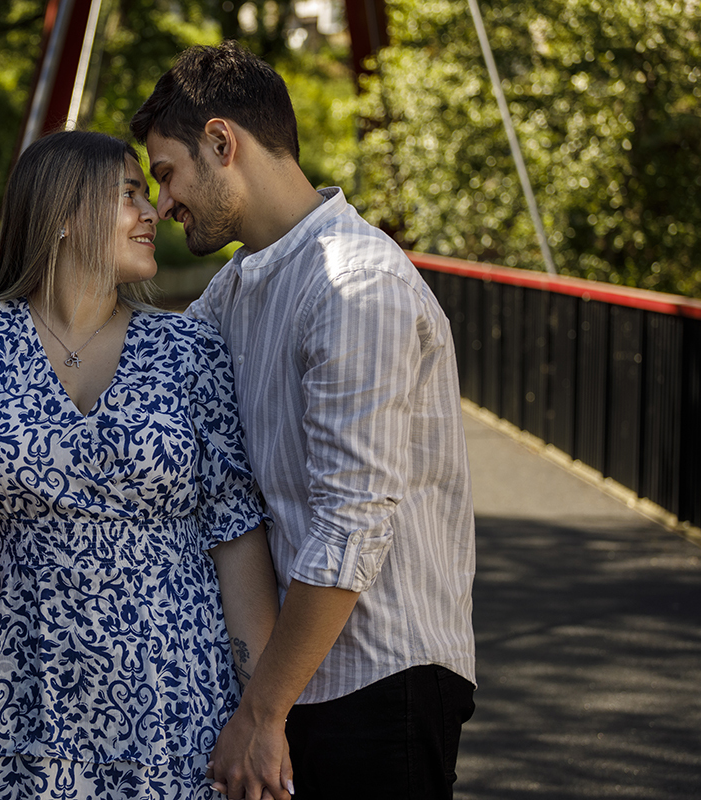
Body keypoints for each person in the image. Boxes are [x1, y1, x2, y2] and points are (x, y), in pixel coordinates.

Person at [0, 129, 282, 799]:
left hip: (171, 706)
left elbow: (237, 539)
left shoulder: (189, 350)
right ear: (66, 215)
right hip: (14, 706)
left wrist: (264, 719)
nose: (152, 211)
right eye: (129, 195)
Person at [130, 41, 477, 800]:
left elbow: (351, 524)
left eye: (166, 175)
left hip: (378, 683)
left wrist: (261, 712)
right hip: (302, 684)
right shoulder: (243, 283)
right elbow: (144, 380)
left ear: (223, 142)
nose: (161, 205)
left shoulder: (355, 285)